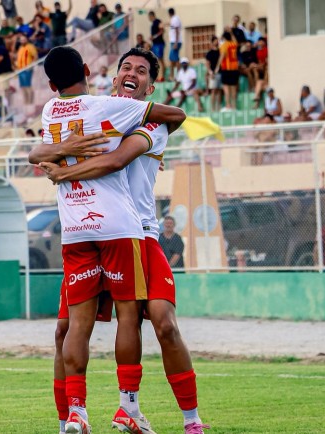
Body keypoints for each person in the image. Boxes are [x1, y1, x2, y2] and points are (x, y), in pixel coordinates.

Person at [38, 48, 205, 434]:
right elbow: (39, 150)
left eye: (142, 71)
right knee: (64, 330)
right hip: (96, 232)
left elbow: (114, 161)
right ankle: (70, 419)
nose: (132, 73)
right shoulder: (97, 112)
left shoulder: (152, 124)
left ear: (150, 86)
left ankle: (189, 420)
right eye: (126, 67)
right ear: (113, 79)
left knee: (163, 322)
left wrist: (63, 170)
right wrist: (56, 151)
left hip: (138, 233)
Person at [215, 31, 239, 111]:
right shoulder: (234, 44)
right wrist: (231, 33)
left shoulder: (224, 45)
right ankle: (234, 106)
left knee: (226, 89)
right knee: (233, 89)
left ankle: (228, 106)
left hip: (226, 69)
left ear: (224, 37)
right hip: (234, 69)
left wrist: (217, 66)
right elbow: (235, 40)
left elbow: (222, 55)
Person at [16, 33, 38, 105]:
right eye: (21, 40)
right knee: (23, 87)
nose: (23, 41)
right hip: (20, 70)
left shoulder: (30, 46)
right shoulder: (20, 48)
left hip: (27, 69)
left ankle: (31, 102)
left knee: (28, 86)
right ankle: (26, 102)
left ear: (27, 40)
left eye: (24, 39)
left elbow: (35, 56)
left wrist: (31, 66)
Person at [204, 36, 221, 112]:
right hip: (213, 73)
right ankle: (213, 108)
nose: (217, 42)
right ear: (212, 42)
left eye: (217, 41)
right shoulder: (209, 53)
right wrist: (210, 72)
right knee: (213, 90)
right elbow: (207, 64)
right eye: (215, 41)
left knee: (219, 90)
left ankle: (218, 107)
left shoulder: (220, 51)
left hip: (220, 72)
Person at [147, 11, 165, 81]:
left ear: (151, 16)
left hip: (159, 43)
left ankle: (162, 76)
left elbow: (162, 31)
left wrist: (154, 36)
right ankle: (157, 77)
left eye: (149, 17)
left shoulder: (158, 21)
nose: (149, 18)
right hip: (155, 44)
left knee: (160, 59)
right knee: (156, 60)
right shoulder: (153, 23)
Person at [167, 8, 181, 81]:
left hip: (175, 42)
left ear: (169, 13)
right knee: (172, 59)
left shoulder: (175, 19)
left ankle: (178, 76)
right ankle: (171, 76)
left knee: (176, 59)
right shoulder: (173, 19)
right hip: (174, 42)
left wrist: (176, 42)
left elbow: (177, 30)